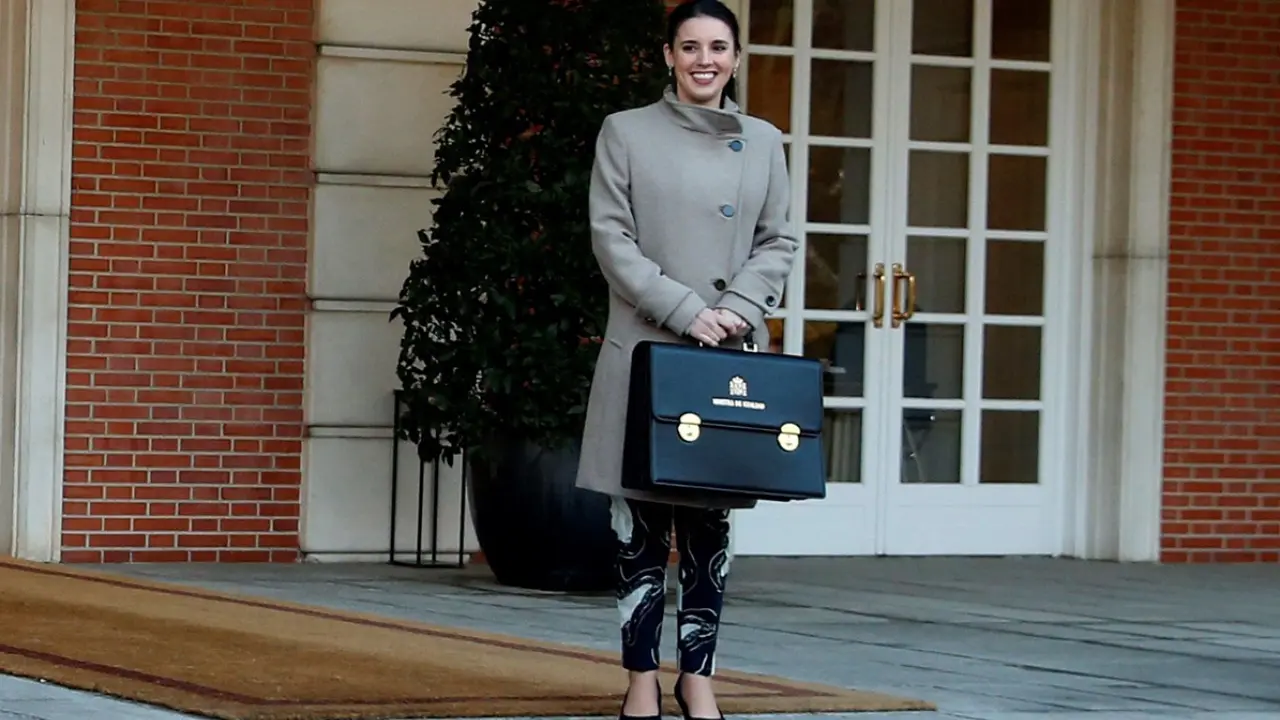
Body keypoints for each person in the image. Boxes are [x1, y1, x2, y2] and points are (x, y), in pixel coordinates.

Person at [574, 1, 798, 718]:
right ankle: (640, 677)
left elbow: (779, 240)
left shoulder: (763, 141)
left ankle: (697, 675)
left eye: (719, 47)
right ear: (668, 55)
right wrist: (682, 309)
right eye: (691, 46)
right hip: (648, 347)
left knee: (709, 529)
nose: (706, 60)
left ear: (736, 58)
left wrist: (738, 308)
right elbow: (611, 239)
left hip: (724, 354)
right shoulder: (626, 132)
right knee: (638, 526)